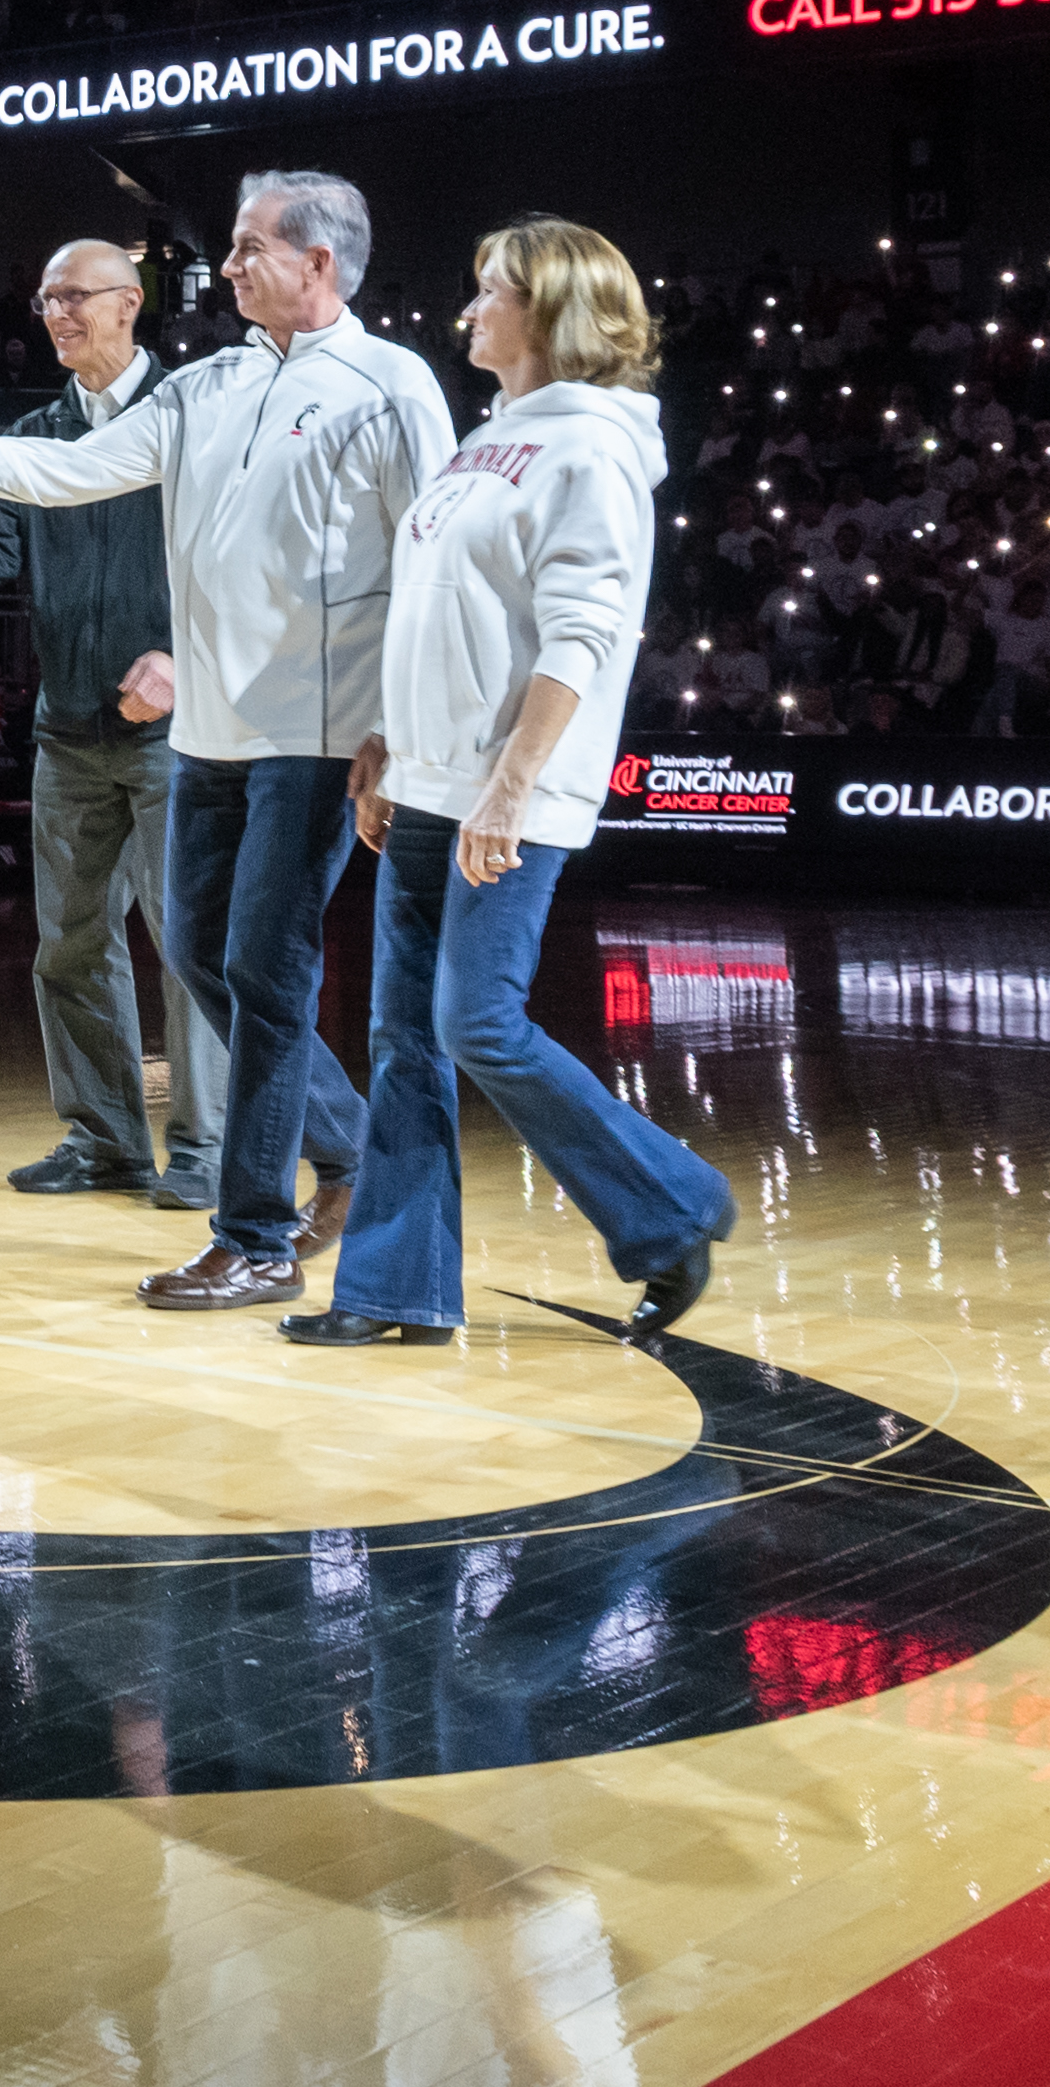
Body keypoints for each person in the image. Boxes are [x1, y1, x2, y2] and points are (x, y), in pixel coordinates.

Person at [0, 172, 446, 1314]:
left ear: (317, 263)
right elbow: (68, 474)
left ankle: (254, 1233)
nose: (221, 269)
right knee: (213, 966)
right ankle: (349, 1152)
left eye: (245, 248)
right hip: (207, 737)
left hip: (316, 737)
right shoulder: (211, 384)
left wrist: (398, 731)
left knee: (261, 973)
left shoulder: (391, 386)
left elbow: (429, 558)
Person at [299, 215, 735, 1350]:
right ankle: (391, 1289)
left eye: (490, 289)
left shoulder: (590, 446)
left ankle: (673, 1204)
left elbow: (583, 629)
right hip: (429, 777)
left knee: (475, 1020)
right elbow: (436, 615)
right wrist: (388, 740)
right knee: (402, 1038)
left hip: (510, 791)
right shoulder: (483, 440)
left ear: (549, 310)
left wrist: (508, 782)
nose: (469, 308)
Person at [0, 238, 218, 1207]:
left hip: (179, 732)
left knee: (190, 945)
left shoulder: (189, 420)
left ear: (129, 303)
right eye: (43, 299)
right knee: (70, 946)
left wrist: (183, 658)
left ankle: (209, 1149)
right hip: (69, 730)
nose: (53, 314)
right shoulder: (40, 428)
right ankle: (103, 1139)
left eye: (73, 297)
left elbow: (236, 561)